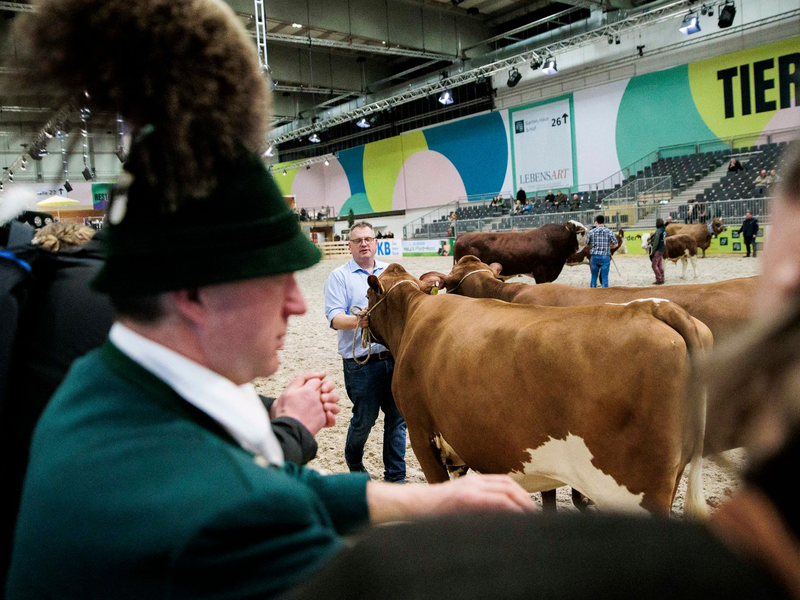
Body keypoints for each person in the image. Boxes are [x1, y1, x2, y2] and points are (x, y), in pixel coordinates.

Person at [6, 2, 535, 598]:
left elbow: (281, 487)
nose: (297, 304)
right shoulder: (217, 512)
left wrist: (425, 497)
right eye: (272, 280)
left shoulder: (98, 385)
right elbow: (262, 506)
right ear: (191, 293)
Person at [324, 221, 407, 482]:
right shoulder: (339, 276)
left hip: (393, 357)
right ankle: (354, 459)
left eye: (368, 239)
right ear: (350, 245)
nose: (363, 244)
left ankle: (396, 479)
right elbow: (335, 317)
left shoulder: (391, 272)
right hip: (361, 361)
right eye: (358, 240)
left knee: (397, 421)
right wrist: (359, 321)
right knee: (364, 420)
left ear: (376, 243)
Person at [585, 215, 618, 288]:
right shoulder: (609, 231)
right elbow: (616, 244)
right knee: (604, 277)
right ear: (604, 222)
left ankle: (593, 291)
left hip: (594, 256)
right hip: (605, 256)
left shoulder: (591, 232)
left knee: (594, 277)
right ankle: (605, 293)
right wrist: (609, 247)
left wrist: (592, 245)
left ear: (596, 222)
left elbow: (586, 245)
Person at [649, 218, 667, 285]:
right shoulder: (663, 230)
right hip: (662, 248)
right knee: (660, 264)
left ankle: (659, 279)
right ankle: (662, 278)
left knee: (654, 265)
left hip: (658, 249)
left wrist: (653, 251)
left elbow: (656, 242)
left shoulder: (658, 231)